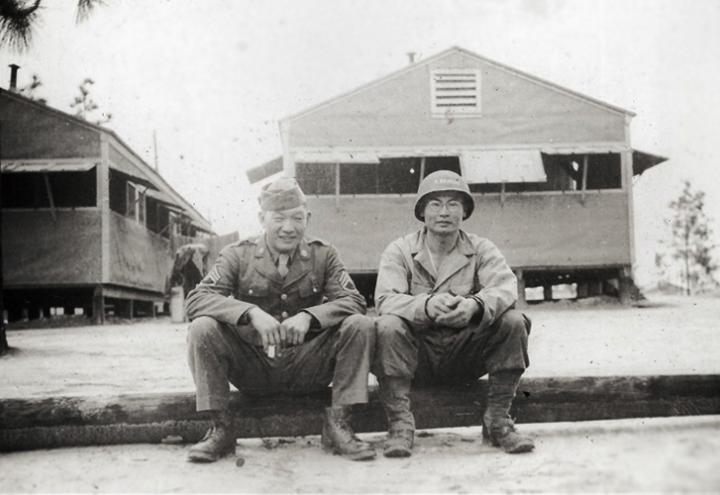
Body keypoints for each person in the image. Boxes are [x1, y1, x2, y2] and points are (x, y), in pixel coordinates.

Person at [185, 177, 376, 463]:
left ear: (307, 218)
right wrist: (249, 313)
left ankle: (339, 423)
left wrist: (309, 317)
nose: (289, 228)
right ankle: (220, 429)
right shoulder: (237, 254)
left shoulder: (323, 254)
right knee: (202, 328)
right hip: (254, 367)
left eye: (297, 218)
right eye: (279, 218)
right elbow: (196, 300)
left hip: (307, 367)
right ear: (263, 218)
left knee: (360, 325)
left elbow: (354, 301)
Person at [373, 170, 534, 458]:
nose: (444, 212)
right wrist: (424, 306)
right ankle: (400, 425)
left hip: (465, 355)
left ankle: (498, 420)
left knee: (513, 321)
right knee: (386, 326)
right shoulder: (400, 250)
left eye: (453, 204)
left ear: (465, 211)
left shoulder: (481, 249)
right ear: (422, 211)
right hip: (416, 358)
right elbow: (385, 299)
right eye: (435, 204)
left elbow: (505, 287)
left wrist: (475, 306)